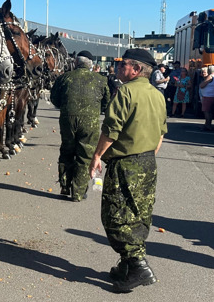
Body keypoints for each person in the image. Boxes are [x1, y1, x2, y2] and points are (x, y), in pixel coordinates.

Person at [88, 48, 166, 293]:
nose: (118, 68)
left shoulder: (126, 92)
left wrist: (97, 156)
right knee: (138, 215)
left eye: (122, 64)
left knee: (115, 216)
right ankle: (127, 267)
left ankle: (138, 265)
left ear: (135, 68)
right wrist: (146, 155)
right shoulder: (158, 95)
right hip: (147, 162)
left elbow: (111, 130)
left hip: (126, 164)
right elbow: (161, 133)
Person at [50, 50, 110, 201]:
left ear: (76, 63)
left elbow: (54, 99)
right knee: (85, 155)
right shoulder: (101, 80)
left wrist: (65, 108)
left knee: (67, 150)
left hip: (67, 119)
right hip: (90, 121)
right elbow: (106, 102)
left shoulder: (64, 78)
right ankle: (78, 192)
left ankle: (65, 184)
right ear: (90, 64)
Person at [199, 65, 214, 131]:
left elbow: (202, 85)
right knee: (209, 111)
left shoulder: (210, 77)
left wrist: (203, 82)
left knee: (206, 111)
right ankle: (207, 124)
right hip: (211, 95)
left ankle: (208, 125)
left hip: (208, 96)